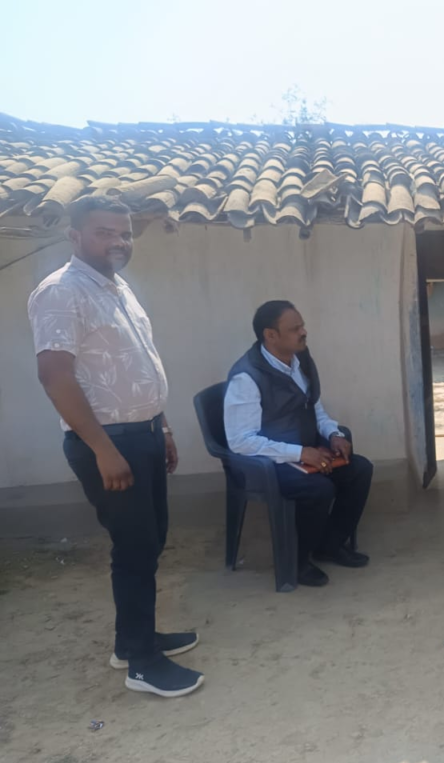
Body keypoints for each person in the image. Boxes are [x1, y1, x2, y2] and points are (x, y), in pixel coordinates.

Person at [28, 196, 203, 698]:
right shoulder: (61, 291)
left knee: (150, 540)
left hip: (142, 434)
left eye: (124, 233)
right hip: (108, 443)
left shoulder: (115, 286)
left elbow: (136, 363)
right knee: (134, 547)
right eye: (105, 232)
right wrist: (104, 450)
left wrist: (161, 427)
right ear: (75, 236)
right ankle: (142, 665)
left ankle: (133, 641)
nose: (119, 242)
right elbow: (54, 375)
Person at [224, 300, 373, 588]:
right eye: (295, 329)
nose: (303, 332)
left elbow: (313, 406)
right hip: (268, 462)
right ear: (271, 335)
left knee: (360, 470)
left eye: (302, 326)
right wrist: (299, 453)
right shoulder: (247, 377)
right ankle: (297, 561)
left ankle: (329, 545)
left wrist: (333, 434)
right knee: (318, 489)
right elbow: (240, 441)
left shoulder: (299, 358)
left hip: (306, 449)